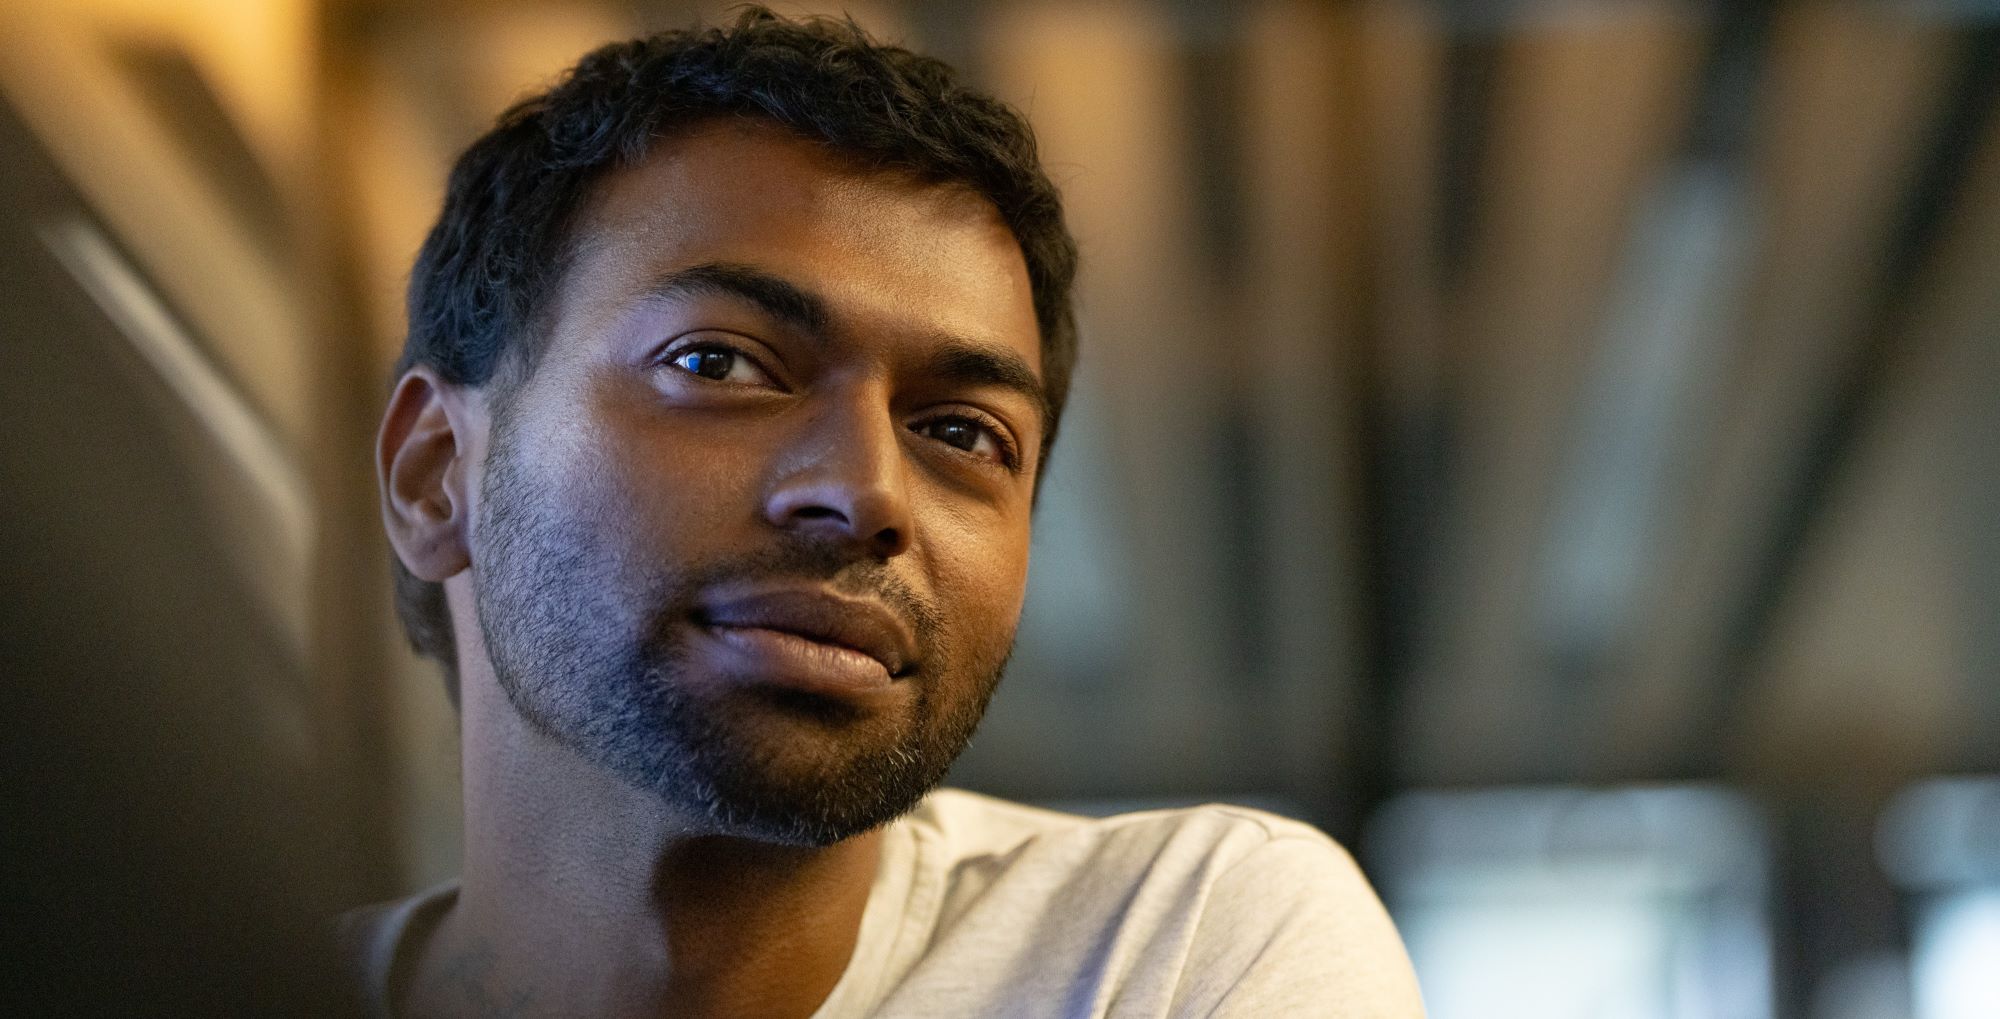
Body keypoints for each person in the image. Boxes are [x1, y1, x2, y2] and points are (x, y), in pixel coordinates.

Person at [344, 8, 1425, 1017]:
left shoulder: (1175, 945)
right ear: (435, 473)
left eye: (961, 432)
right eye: (717, 362)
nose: (864, 491)